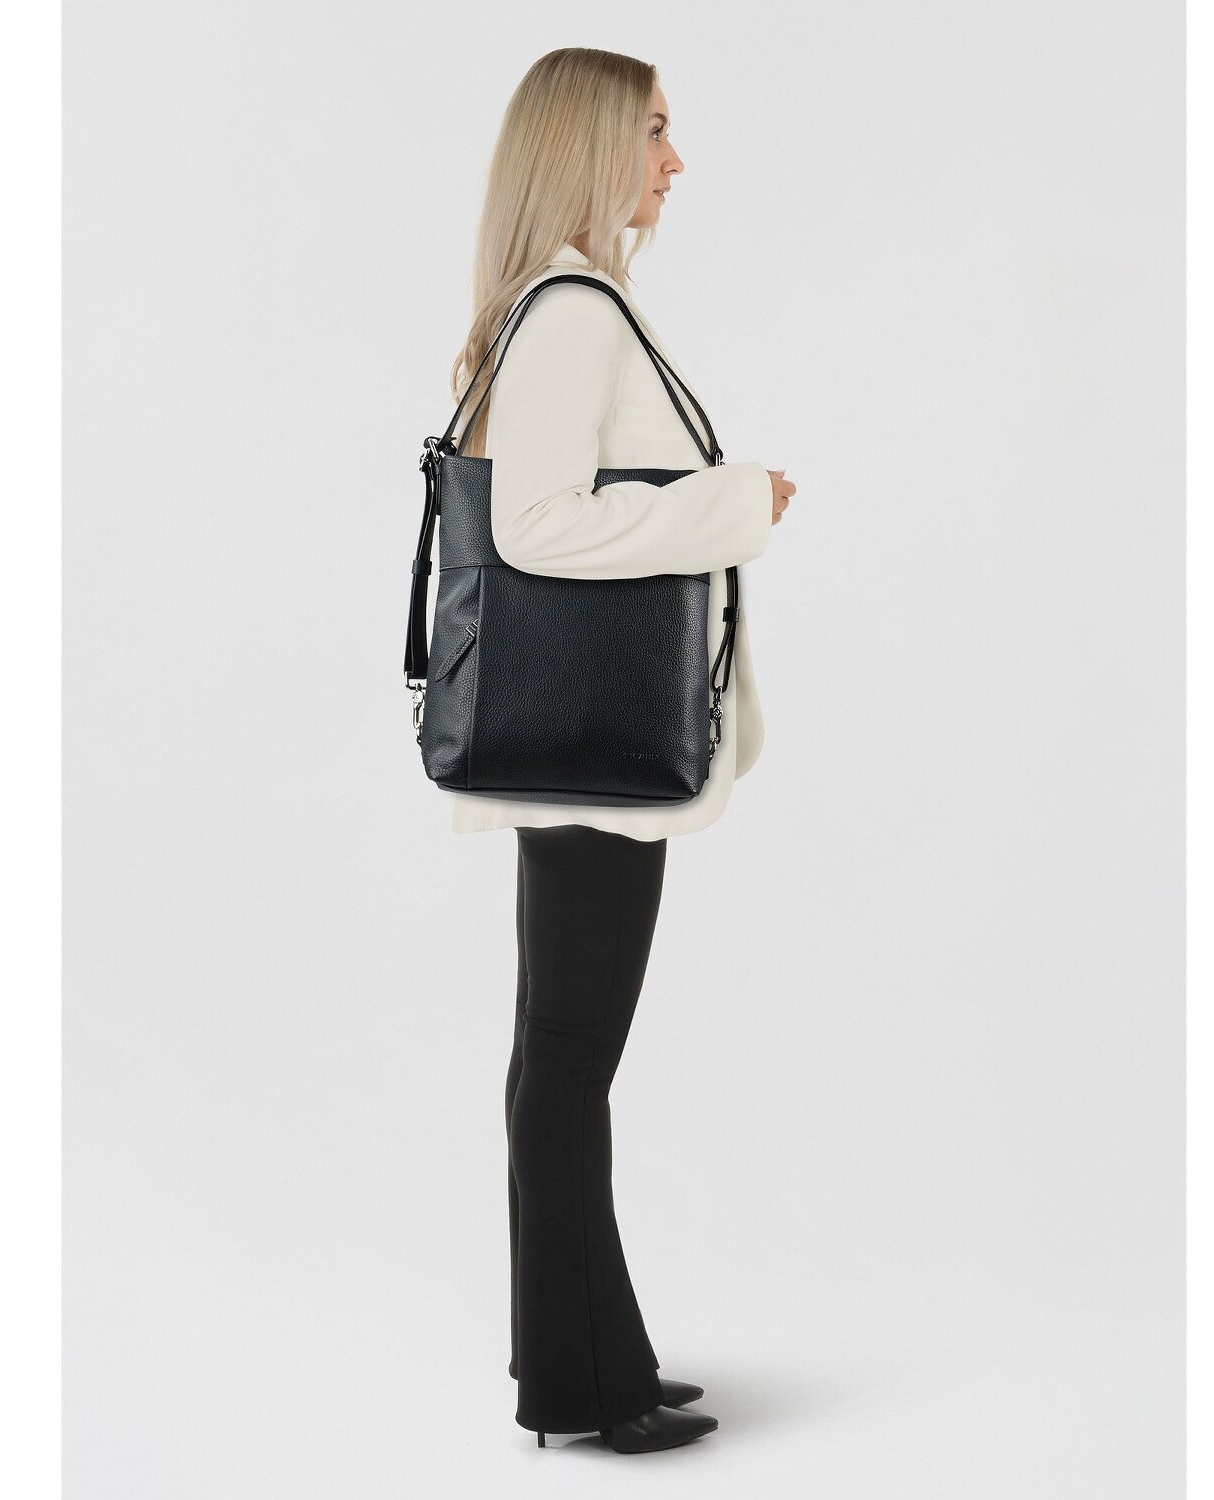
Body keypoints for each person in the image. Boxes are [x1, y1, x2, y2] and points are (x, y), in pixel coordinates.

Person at [443, 47, 796, 1454]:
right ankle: (587, 1388)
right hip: (595, 742)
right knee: (568, 1063)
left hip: (579, 743)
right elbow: (537, 525)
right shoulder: (573, 313)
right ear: (591, 146)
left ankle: (586, 1363)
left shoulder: (562, 305)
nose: (673, 160)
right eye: (653, 130)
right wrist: (734, 502)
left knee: (557, 1058)